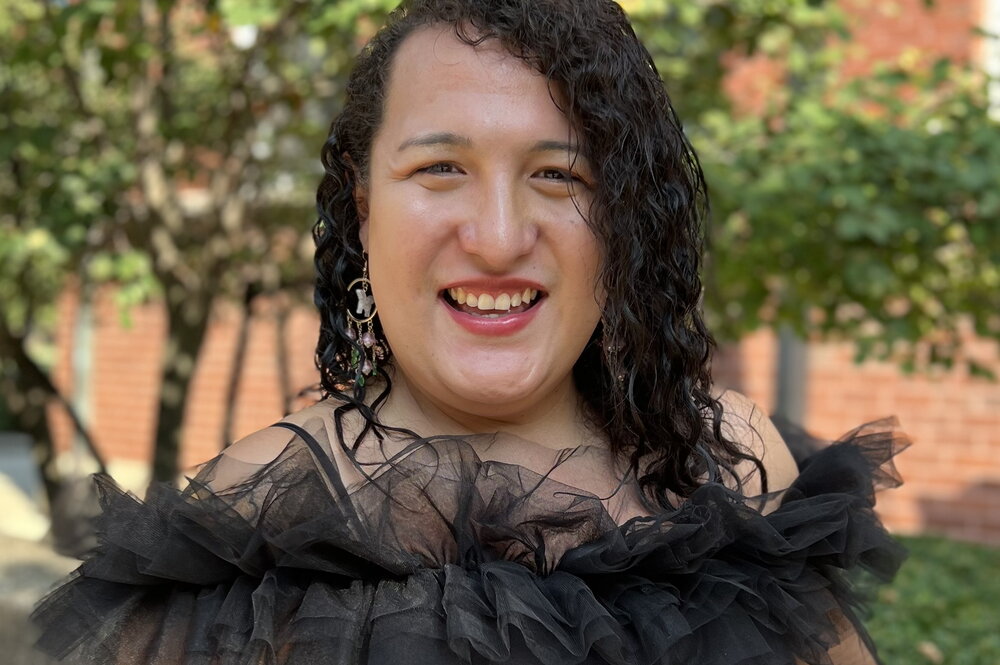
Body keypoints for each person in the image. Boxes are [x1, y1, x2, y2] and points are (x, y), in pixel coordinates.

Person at [32, 0, 908, 663]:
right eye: (440, 167)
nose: (497, 236)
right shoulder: (237, 532)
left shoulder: (738, 470)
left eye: (559, 171)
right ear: (364, 203)